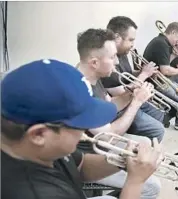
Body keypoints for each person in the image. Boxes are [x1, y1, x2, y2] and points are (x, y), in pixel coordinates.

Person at [1, 59, 162, 199]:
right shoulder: (37, 193)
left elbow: (80, 165)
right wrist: (135, 182)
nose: (87, 129)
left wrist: (122, 159)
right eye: (81, 123)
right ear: (39, 134)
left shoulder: (42, 147)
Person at [75, 28, 162, 198]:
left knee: (146, 143)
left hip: (99, 146)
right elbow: (108, 137)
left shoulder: (92, 79)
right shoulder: (82, 92)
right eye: (112, 57)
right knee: (152, 187)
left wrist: (131, 93)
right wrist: (136, 103)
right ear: (94, 62)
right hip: (93, 153)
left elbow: (110, 105)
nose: (116, 62)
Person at [98, 16, 165, 142]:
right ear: (117, 38)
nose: (133, 45)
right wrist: (143, 75)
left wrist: (142, 72)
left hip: (129, 97)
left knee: (159, 111)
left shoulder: (121, 53)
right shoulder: (106, 62)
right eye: (131, 40)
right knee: (158, 130)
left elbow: (127, 74)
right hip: (123, 106)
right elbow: (120, 94)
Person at [143, 22, 178, 131]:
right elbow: (165, 70)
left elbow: (163, 65)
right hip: (154, 82)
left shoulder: (163, 42)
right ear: (173, 32)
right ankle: (166, 118)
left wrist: (173, 56)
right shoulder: (161, 44)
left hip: (159, 78)